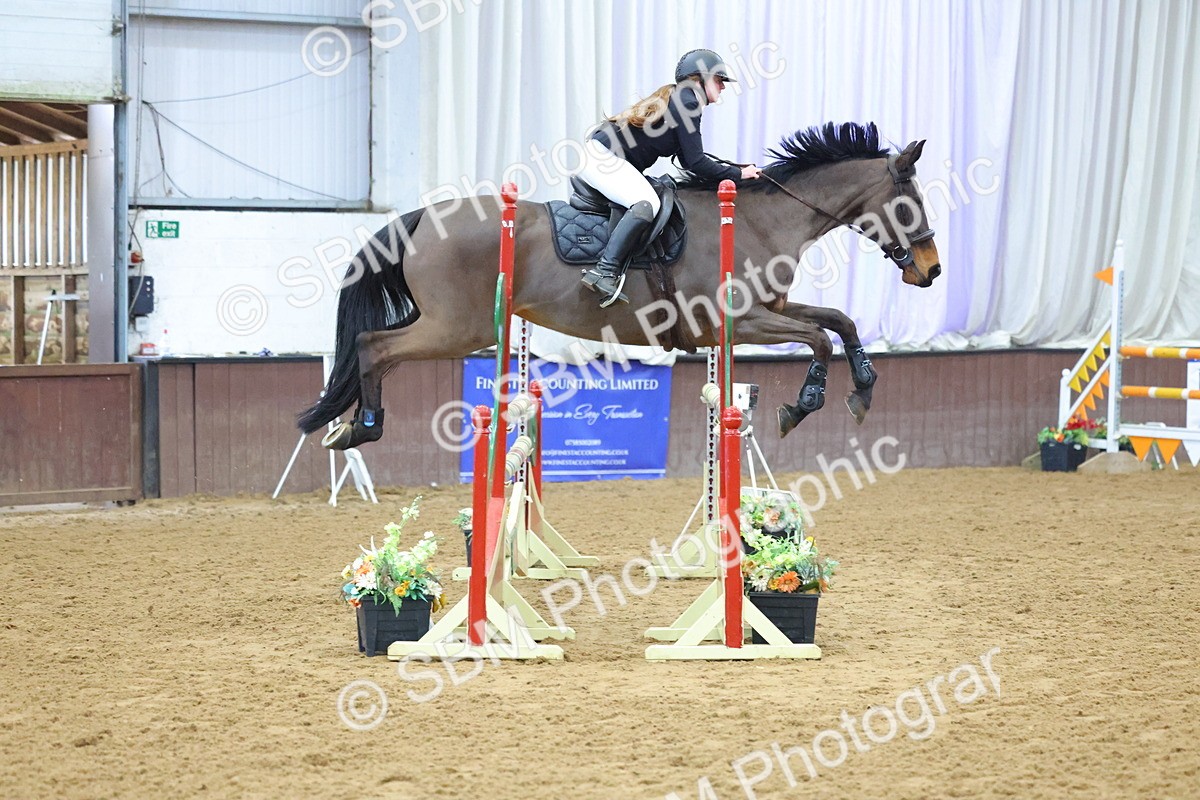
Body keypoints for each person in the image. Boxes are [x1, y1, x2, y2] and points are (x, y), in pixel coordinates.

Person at [576, 48, 762, 308]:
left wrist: (733, 170)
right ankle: (605, 271)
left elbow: (688, 160)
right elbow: (696, 162)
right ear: (699, 79)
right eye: (718, 80)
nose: (723, 87)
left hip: (603, 155)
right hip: (604, 158)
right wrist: (739, 174)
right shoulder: (689, 100)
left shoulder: (682, 97)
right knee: (646, 204)